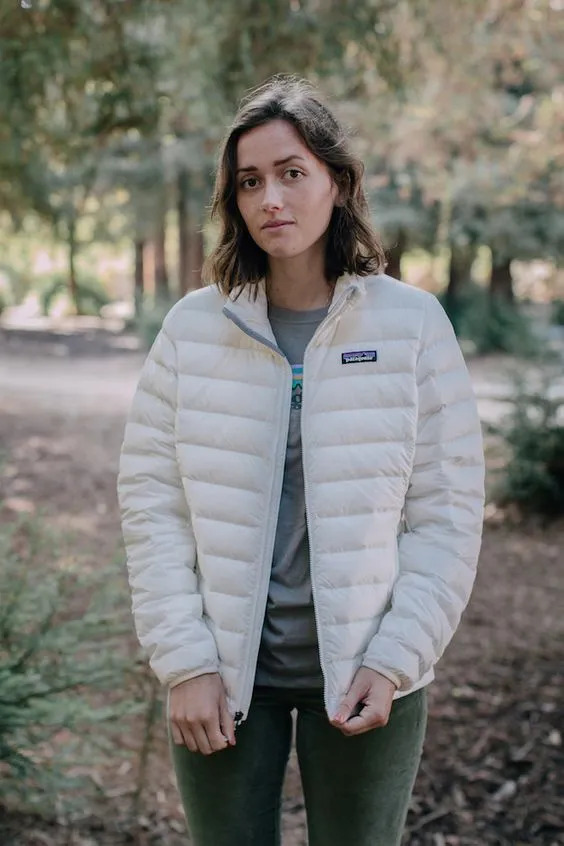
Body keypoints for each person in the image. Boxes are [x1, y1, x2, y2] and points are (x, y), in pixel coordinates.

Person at [117, 76, 485, 846]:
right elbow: (152, 503)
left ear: (338, 184)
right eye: (250, 181)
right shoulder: (192, 329)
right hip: (222, 675)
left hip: (365, 675)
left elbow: (445, 515)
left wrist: (393, 659)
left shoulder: (411, 324)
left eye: (292, 173)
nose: (270, 199)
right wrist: (185, 661)